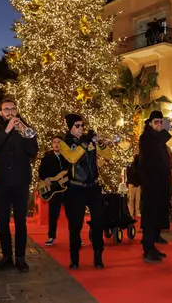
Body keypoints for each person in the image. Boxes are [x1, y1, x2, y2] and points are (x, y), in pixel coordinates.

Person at [0, 98, 39, 273]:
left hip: (20, 182)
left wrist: (24, 132)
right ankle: (7, 256)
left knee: (20, 222)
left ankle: (20, 258)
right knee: (2, 222)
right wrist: (8, 129)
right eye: (6, 109)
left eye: (13, 108)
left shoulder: (26, 128)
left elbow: (33, 152)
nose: (10, 112)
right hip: (1, 182)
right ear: (1, 112)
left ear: (17, 110)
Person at [59, 115, 112, 269]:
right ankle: (74, 259)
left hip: (93, 187)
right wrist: (86, 142)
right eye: (77, 125)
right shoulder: (64, 143)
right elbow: (72, 158)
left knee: (98, 222)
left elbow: (108, 156)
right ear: (70, 127)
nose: (81, 128)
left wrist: (100, 143)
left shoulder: (88, 142)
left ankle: (98, 257)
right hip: (76, 188)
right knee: (75, 224)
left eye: (82, 125)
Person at [138, 111, 172, 264]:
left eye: (161, 122)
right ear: (150, 123)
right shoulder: (146, 138)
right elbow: (153, 148)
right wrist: (165, 131)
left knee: (157, 217)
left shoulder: (159, 140)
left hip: (161, 185)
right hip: (151, 185)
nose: (159, 125)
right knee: (150, 218)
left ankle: (152, 246)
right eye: (156, 122)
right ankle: (148, 249)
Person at [38, 134, 70, 246]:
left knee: (71, 214)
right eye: (54, 142)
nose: (56, 144)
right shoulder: (47, 157)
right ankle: (51, 236)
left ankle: (75, 237)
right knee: (53, 214)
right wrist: (45, 179)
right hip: (53, 190)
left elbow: (71, 173)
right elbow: (41, 171)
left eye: (58, 142)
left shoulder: (68, 157)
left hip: (67, 189)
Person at [126, 154, 141, 223]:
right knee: (135, 199)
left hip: (132, 184)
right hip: (135, 184)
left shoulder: (130, 166)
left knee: (132, 199)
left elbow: (129, 175)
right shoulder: (138, 166)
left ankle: (132, 212)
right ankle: (135, 212)